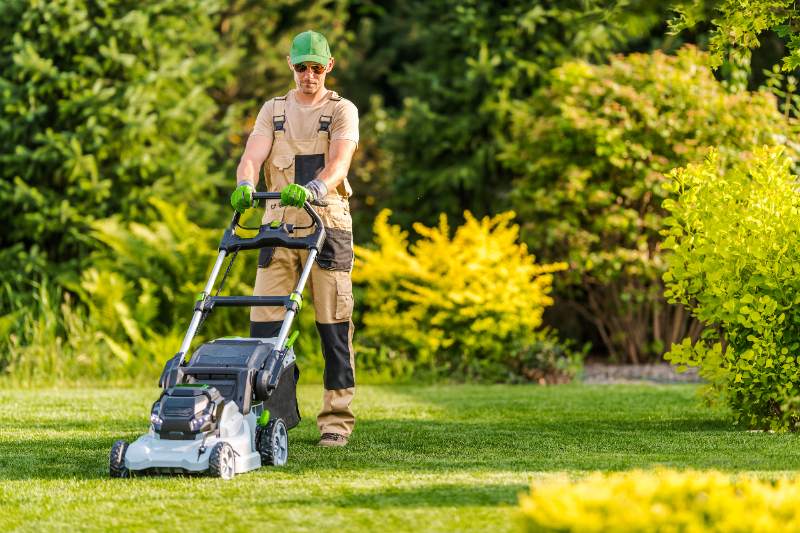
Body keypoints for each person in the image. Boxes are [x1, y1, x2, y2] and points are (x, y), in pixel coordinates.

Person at [230, 30, 359, 447]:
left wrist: (315, 189)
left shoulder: (343, 111)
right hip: (277, 226)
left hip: (327, 226)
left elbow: (339, 163)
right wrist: (245, 184)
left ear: (329, 67)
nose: (308, 75)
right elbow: (253, 154)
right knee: (265, 329)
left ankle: (336, 422)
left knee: (332, 328)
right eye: (301, 67)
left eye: (316, 68)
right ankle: (273, 417)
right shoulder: (274, 110)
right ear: (290, 65)